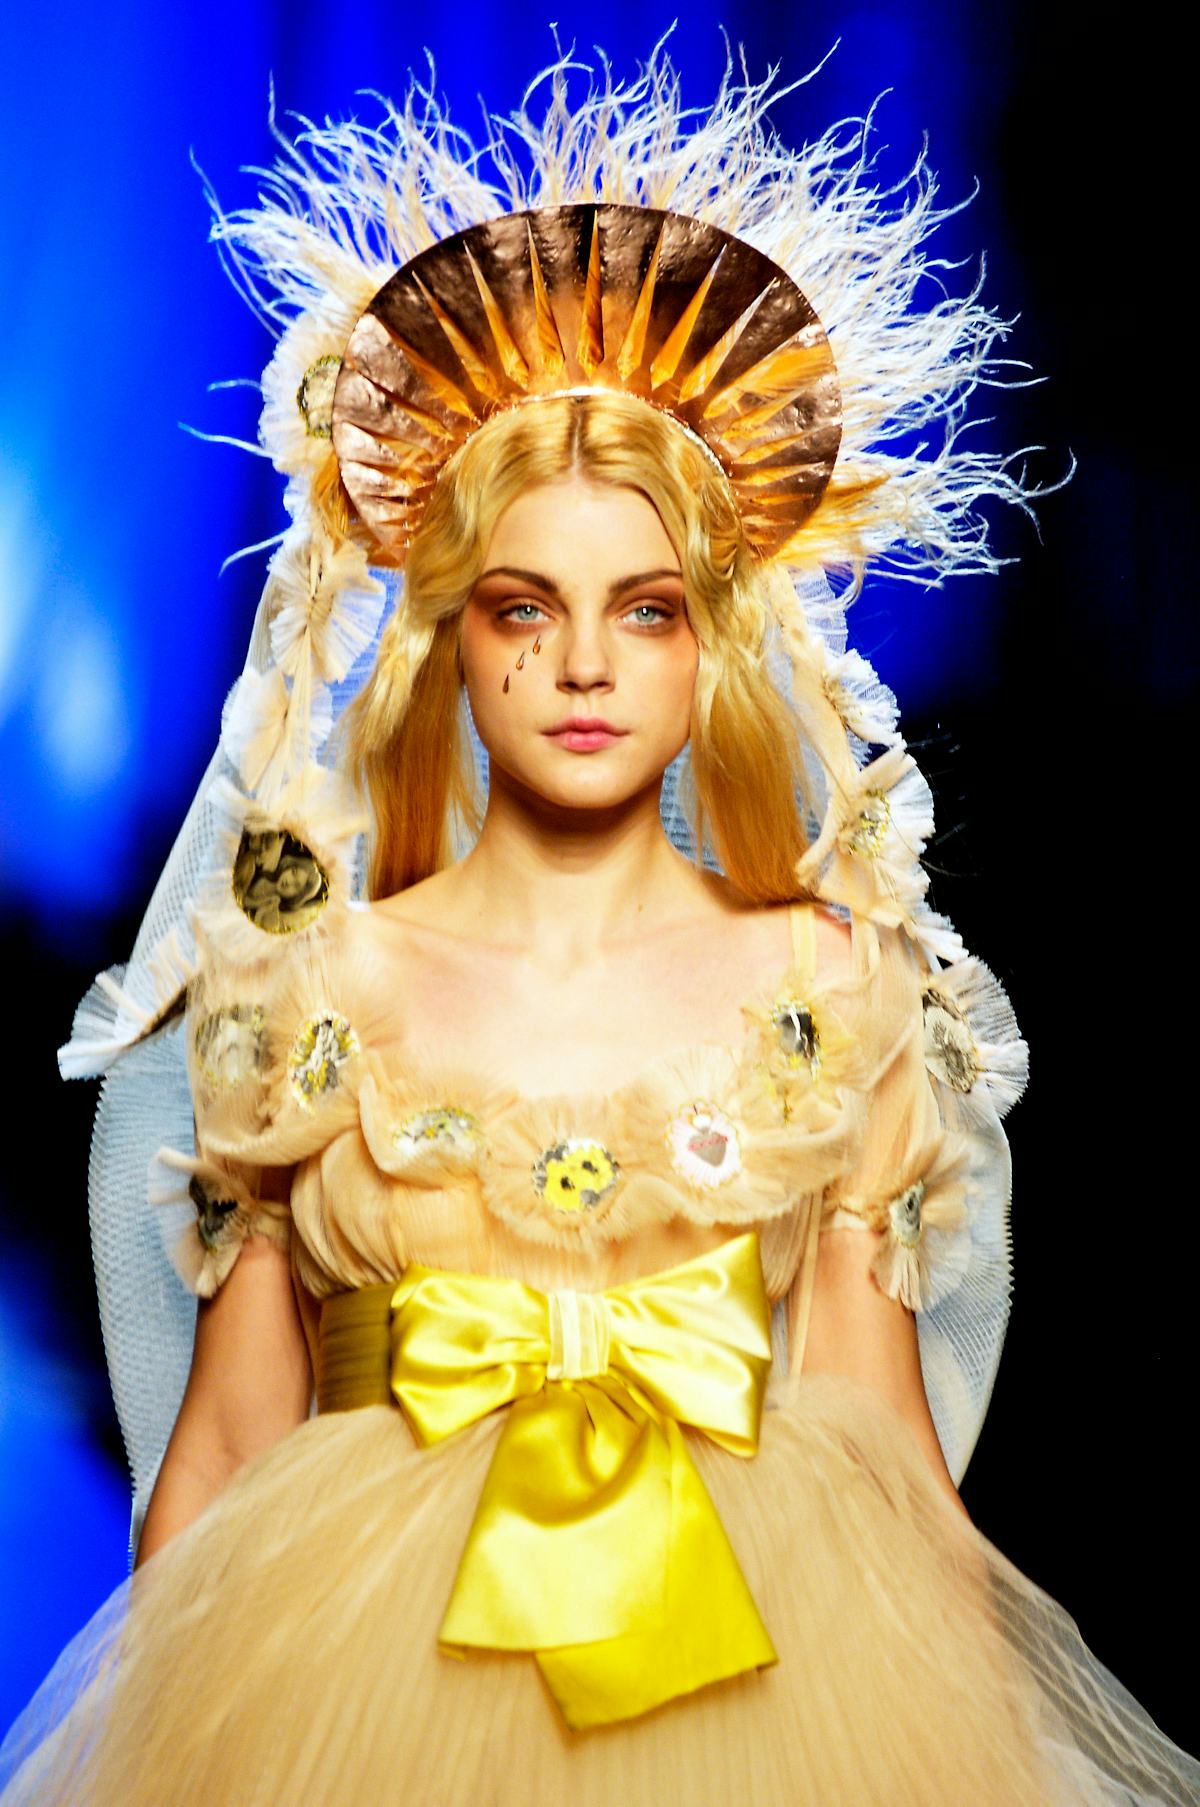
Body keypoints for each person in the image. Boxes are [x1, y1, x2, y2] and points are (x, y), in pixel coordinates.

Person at [2, 37, 1197, 1806]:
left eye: (645, 610)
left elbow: (887, 1450)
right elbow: (233, 1439)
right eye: (523, 606)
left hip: (773, 1682)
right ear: (449, 636)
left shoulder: (827, 987)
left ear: (715, 641)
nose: (581, 665)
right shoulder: (316, 994)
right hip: (350, 1694)